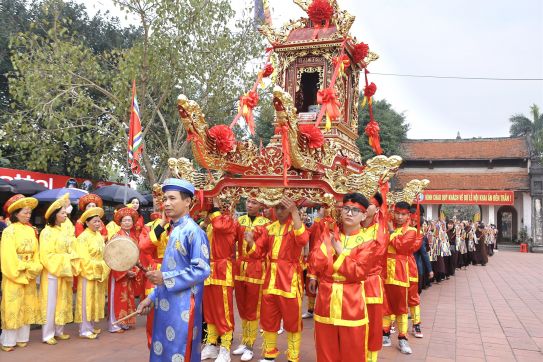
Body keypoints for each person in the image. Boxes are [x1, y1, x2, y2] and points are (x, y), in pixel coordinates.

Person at [136, 178, 210, 362]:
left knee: (179, 352)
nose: (166, 203)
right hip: (164, 305)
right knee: (162, 351)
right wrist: (151, 298)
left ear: (187, 202)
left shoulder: (194, 232)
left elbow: (201, 270)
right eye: (165, 199)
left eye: (172, 198)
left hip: (183, 308)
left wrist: (165, 278)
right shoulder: (174, 229)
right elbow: (170, 270)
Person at [309, 193, 382, 362]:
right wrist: (329, 242)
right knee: (325, 352)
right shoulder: (329, 235)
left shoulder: (368, 241)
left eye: (355, 211)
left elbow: (358, 273)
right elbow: (316, 262)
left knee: (353, 353)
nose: (349, 213)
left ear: (364, 215)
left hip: (352, 302)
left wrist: (340, 252)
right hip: (326, 300)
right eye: (346, 209)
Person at [245, 197, 309, 362]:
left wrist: (295, 212)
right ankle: (268, 355)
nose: (279, 211)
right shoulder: (270, 228)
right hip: (270, 281)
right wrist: (251, 242)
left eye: (283, 208)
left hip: (290, 282)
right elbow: (257, 253)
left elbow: (302, 240)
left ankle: (293, 357)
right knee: (268, 320)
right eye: (277, 208)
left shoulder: (296, 227)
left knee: (292, 322)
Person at [0, 195, 42, 352]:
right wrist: (24, 267)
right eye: (25, 212)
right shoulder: (9, 231)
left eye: (30, 212)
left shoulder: (31, 231)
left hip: (29, 272)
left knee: (27, 305)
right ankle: (8, 340)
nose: (28, 214)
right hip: (15, 275)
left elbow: (37, 252)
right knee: (13, 306)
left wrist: (34, 267)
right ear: (16, 213)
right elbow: (7, 256)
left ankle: (22, 338)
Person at [232, 197, 269, 361]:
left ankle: (250, 345)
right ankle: (244, 340)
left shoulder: (266, 223)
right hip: (240, 268)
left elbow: (262, 250)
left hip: (256, 269)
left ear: (261, 205)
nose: (249, 204)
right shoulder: (240, 221)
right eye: (248, 201)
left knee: (252, 309)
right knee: (242, 306)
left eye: (254, 202)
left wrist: (251, 242)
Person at [200, 198, 237, 362]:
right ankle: (211, 344)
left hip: (223, 272)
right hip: (209, 272)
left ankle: (225, 348)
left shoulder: (228, 222)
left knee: (224, 313)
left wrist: (215, 204)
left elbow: (219, 225)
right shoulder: (210, 224)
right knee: (210, 311)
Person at [39, 194, 79, 345]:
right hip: (52, 272)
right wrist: (66, 260)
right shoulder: (46, 232)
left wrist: (71, 257)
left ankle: (59, 330)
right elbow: (46, 256)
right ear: (54, 215)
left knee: (63, 300)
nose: (65, 215)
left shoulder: (63, 230)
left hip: (63, 270)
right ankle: (47, 334)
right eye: (62, 213)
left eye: (65, 212)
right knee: (51, 303)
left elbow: (70, 248)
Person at [382, 201, 417, 355]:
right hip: (384, 271)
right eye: (397, 213)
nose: (400, 217)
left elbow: (401, 246)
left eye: (403, 214)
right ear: (393, 212)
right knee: (385, 304)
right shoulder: (385, 227)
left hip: (400, 272)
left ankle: (402, 338)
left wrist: (391, 232)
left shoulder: (411, 231)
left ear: (408, 215)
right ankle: (385, 334)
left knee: (401, 307)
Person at [73, 206, 110, 339]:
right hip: (88, 274)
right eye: (94, 221)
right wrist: (99, 266)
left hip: (98, 271)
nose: (97, 223)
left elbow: (104, 253)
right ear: (87, 222)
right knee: (86, 300)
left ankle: (91, 326)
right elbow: (83, 259)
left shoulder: (99, 235)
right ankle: (84, 329)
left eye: (99, 221)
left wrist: (104, 265)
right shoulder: (83, 237)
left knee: (95, 300)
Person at [107, 206, 142, 333]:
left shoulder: (133, 236)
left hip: (130, 272)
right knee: (117, 297)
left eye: (129, 220)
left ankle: (125, 322)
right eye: (125, 220)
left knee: (128, 297)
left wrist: (135, 271)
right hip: (118, 272)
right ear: (120, 223)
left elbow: (136, 255)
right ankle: (114, 324)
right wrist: (124, 271)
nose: (127, 223)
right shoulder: (116, 236)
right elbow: (111, 256)